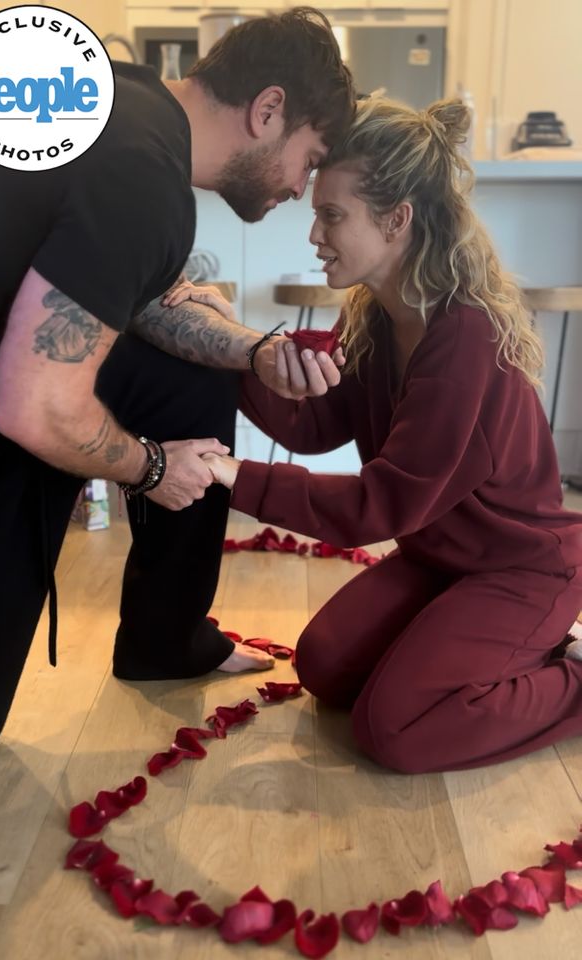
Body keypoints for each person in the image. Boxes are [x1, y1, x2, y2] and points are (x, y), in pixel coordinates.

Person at [0, 8, 355, 755]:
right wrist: (153, 468)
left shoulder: (128, 106)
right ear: (269, 111)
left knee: (188, 378)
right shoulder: (143, 177)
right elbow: (33, 403)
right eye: (310, 157)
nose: (301, 187)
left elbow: (134, 302)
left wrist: (256, 349)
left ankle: (166, 638)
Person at [196, 94, 582, 774]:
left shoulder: (464, 338)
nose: (314, 234)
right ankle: (508, 647)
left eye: (331, 215)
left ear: (396, 219)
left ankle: (571, 678)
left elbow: (382, 506)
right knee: (325, 667)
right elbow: (317, 423)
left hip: (522, 568)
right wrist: (230, 350)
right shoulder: (375, 316)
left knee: (396, 729)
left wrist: (236, 477)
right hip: (442, 559)